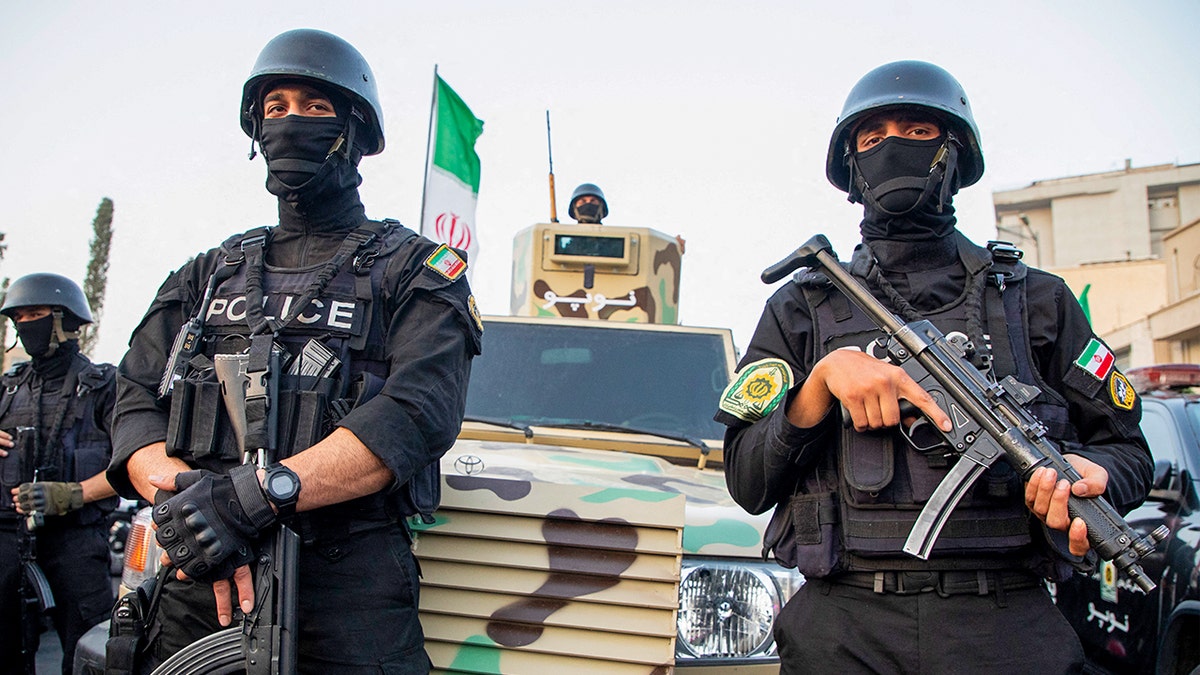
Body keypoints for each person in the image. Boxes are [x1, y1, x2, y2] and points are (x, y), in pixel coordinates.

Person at [717, 60, 1153, 674]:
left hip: (1007, 624)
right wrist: (819, 385)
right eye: (873, 138)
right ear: (852, 168)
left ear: (955, 154)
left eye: (918, 131)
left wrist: (1093, 472)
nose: (894, 145)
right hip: (845, 630)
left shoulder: (1039, 302)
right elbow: (746, 481)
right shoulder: (801, 307)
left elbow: (1130, 451)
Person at [106, 29, 482, 673]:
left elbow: (418, 412)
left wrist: (253, 498)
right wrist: (194, 504)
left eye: (313, 107)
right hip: (199, 577)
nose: (290, 123)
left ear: (357, 132)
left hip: (347, 586)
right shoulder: (209, 273)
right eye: (274, 108)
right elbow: (133, 398)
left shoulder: (417, 270)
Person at [0, 273, 118, 675]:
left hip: (77, 544)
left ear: (65, 321)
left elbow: (131, 467)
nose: (25, 324)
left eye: (36, 314)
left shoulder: (106, 385)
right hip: (9, 542)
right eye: (19, 317)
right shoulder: (8, 388)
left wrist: (72, 494)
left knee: (88, 652)